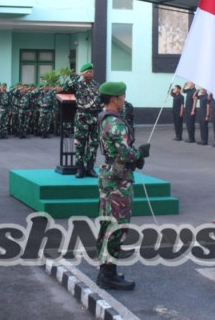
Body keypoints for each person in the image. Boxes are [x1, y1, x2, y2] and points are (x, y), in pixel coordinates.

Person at [95, 81, 150, 291]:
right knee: (117, 225)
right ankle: (108, 274)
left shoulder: (105, 118)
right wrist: (140, 154)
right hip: (118, 179)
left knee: (107, 223)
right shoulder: (115, 123)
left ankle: (105, 271)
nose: (123, 99)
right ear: (113, 98)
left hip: (110, 173)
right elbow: (126, 153)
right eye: (121, 96)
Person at [63, 63, 102, 178]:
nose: (90, 74)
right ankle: (80, 168)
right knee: (80, 144)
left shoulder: (97, 85)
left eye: (91, 71)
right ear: (83, 73)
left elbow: (101, 100)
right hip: (82, 117)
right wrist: (78, 75)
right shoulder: (78, 85)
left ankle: (90, 168)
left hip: (94, 117)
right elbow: (66, 87)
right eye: (87, 72)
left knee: (93, 144)